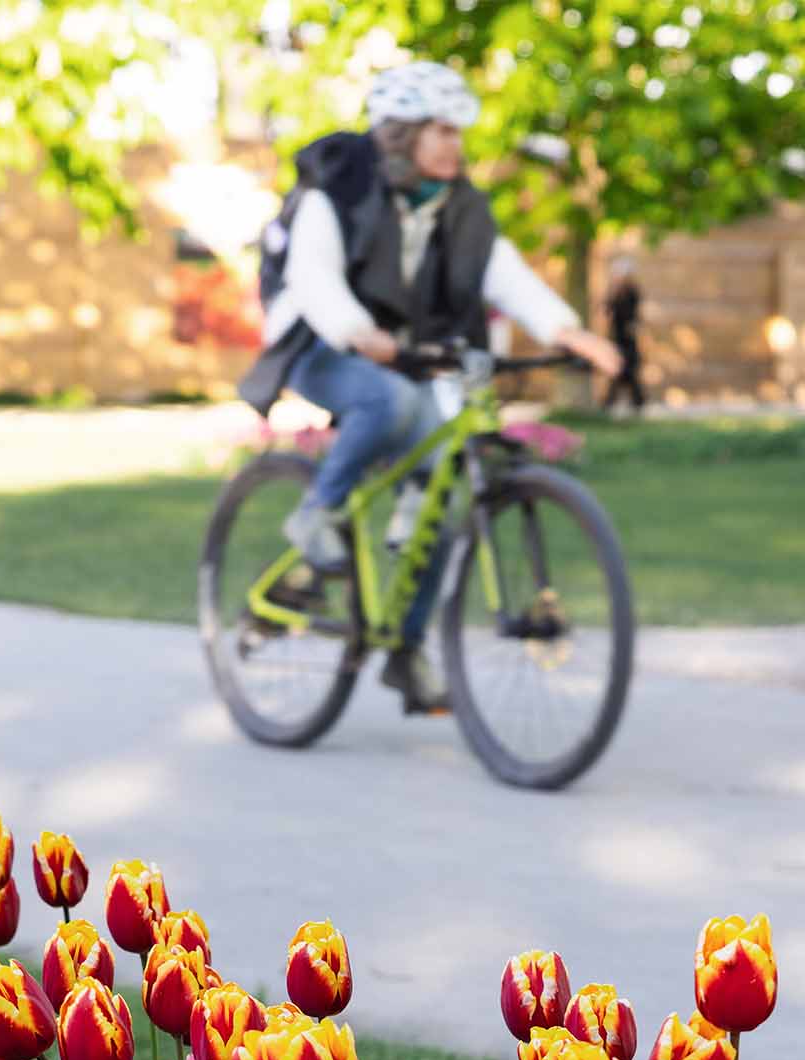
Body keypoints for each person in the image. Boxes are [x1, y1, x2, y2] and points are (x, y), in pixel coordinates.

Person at [240, 62, 620, 714]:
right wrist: (362, 335)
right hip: (318, 340)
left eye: (458, 132)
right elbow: (314, 278)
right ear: (401, 133)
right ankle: (316, 516)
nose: (456, 145)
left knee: (445, 492)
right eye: (442, 131)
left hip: (400, 349)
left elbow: (506, 277)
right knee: (390, 400)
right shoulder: (341, 184)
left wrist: (570, 332)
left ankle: (405, 652)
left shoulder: (459, 206)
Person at [602, 258, 644, 415]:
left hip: (628, 338)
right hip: (616, 336)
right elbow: (606, 311)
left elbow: (634, 315)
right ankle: (611, 402)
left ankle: (635, 402)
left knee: (628, 371)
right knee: (618, 370)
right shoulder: (614, 293)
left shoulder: (632, 292)